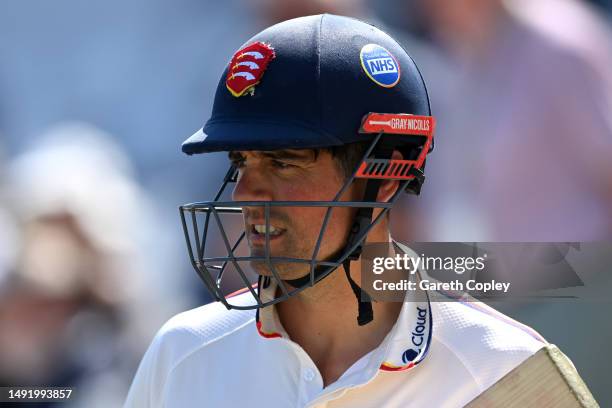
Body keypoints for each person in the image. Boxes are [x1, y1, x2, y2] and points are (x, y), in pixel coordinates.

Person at [125, 15, 547, 407]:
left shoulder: (505, 367)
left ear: (385, 176)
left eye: (283, 162)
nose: (246, 193)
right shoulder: (181, 353)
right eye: (240, 161)